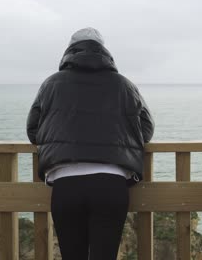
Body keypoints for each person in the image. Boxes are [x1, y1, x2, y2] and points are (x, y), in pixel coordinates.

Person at [26, 27, 154, 260]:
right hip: (111, 182)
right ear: (104, 51)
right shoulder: (124, 85)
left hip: (65, 183)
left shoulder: (51, 84)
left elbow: (33, 131)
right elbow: (146, 129)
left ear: (69, 51)